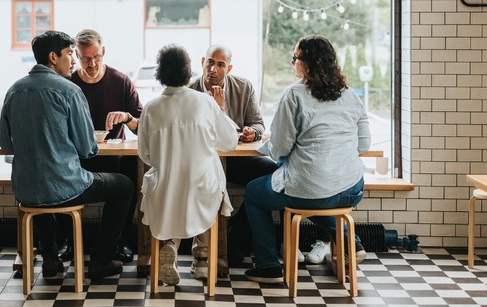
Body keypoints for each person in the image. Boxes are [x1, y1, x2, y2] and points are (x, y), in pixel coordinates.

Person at [0, 30, 134, 279]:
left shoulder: (14, 91)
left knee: (38, 184)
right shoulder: (70, 91)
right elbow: (87, 149)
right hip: (65, 187)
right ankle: (101, 258)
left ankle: (50, 257)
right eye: (71, 54)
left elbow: (5, 143)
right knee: (125, 186)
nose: (73, 60)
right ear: (53, 56)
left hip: (24, 190)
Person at [243, 35, 370, 283]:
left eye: (296, 57)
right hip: (353, 188)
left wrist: (271, 143)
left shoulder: (294, 94)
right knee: (318, 194)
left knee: (254, 194)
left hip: (309, 188)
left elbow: (279, 150)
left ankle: (268, 266)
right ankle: (348, 239)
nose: (292, 62)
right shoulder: (350, 95)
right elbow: (363, 144)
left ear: (309, 62)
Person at [138, 45, 240, 285]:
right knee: (205, 181)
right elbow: (230, 143)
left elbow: (145, 155)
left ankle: (170, 244)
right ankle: (203, 262)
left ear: (160, 73)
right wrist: (221, 110)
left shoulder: (151, 109)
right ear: (189, 71)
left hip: (164, 191)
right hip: (201, 189)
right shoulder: (205, 103)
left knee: (175, 186)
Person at [187, 45, 277, 270]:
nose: (213, 69)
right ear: (202, 61)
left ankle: (234, 232)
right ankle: (213, 248)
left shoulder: (243, 87)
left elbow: (258, 123)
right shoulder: (189, 91)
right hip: (202, 161)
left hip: (235, 159)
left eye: (220, 64)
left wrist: (252, 132)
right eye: (209, 62)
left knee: (272, 173)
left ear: (229, 67)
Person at [61, 29, 141, 263]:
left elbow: (141, 126)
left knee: (132, 165)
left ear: (103, 52)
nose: (92, 63)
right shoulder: (68, 83)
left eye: (96, 57)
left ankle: (121, 239)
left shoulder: (120, 81)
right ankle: (67, 239)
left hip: (111, 157)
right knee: (59, 168)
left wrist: (127, 117)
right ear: (77, 55)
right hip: (77, 157)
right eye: (86, 58)